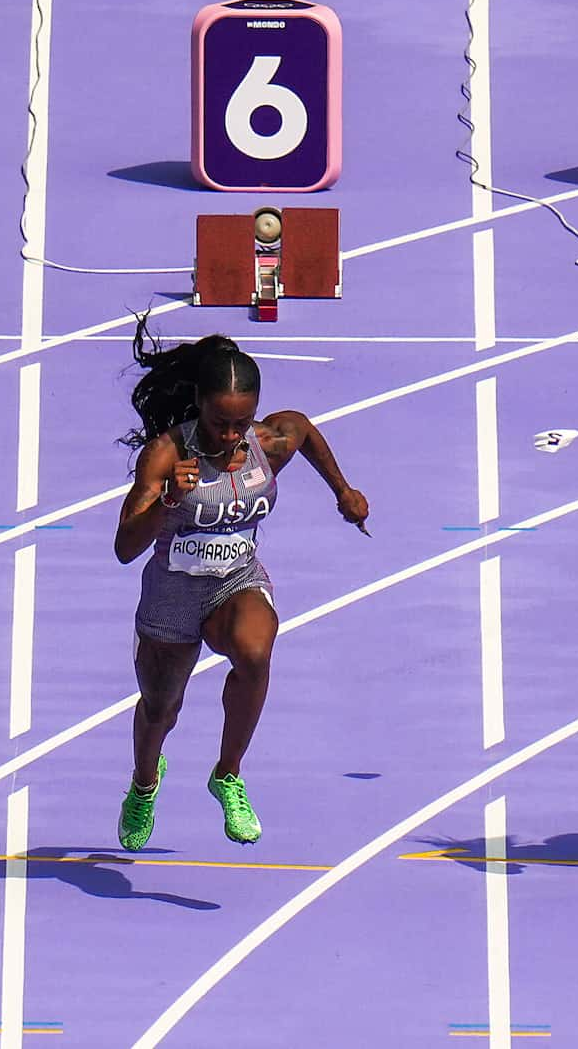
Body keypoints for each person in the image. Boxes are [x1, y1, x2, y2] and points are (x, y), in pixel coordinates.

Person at [113, 325, 367, 851]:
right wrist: (165, 501)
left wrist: (343, 491)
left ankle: (227, 775)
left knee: (255, 652)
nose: (230, 436)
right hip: (172, 598)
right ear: (199, 405)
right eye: (218, 422)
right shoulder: (166, 454)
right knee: (160, 710)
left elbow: (304, 429)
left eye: (240, 423)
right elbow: (124, 546)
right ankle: (144, 784)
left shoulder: (267, 444)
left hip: (237, 581)